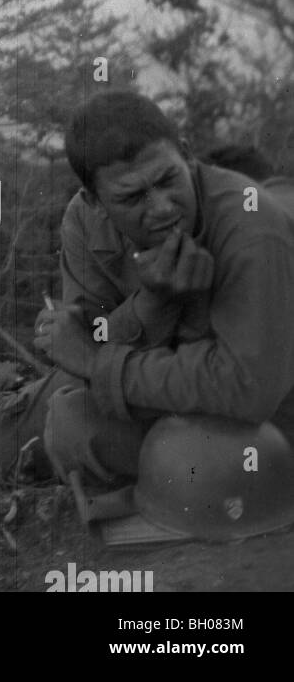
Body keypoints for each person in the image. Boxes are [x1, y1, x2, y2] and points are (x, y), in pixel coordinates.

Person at [32, 90, 294, 491]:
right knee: (58, 421)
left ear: (187, 156)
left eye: (168, 180)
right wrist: (154, 303)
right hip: (181, 388)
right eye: (132, 197)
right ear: (94, 201)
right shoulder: (83, 222)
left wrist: (101, 365)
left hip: (268, 410)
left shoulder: (251, 224)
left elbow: (250, 389)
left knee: (73, 427)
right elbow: (84, 346)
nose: (162, 208)